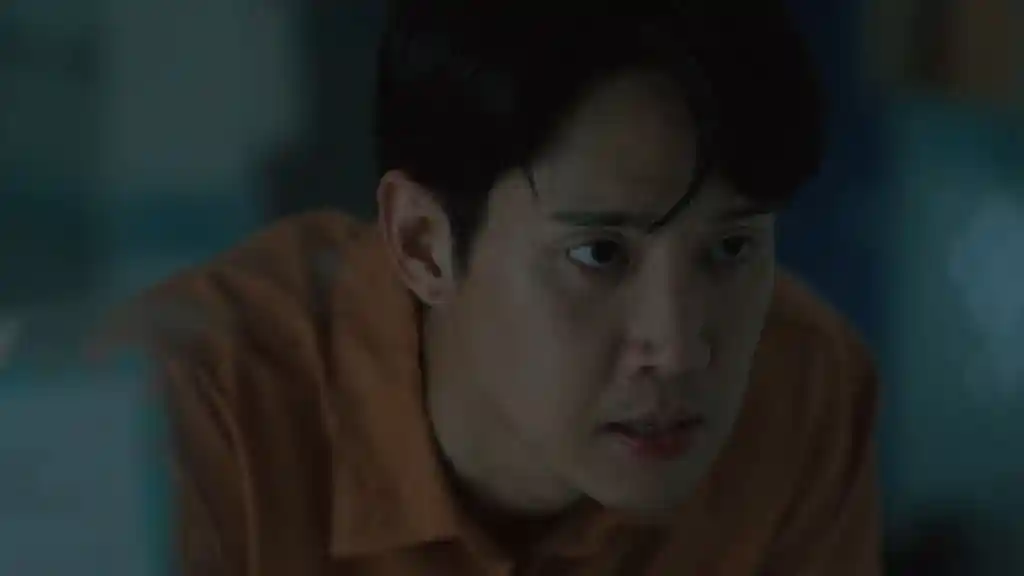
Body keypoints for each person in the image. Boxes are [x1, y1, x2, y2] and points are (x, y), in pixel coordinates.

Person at [112, 0, 883, 573]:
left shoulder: (803, 387)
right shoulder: (181, 419)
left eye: (732, 247)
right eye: (599, 254)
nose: (680, 350)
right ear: (424, 245)